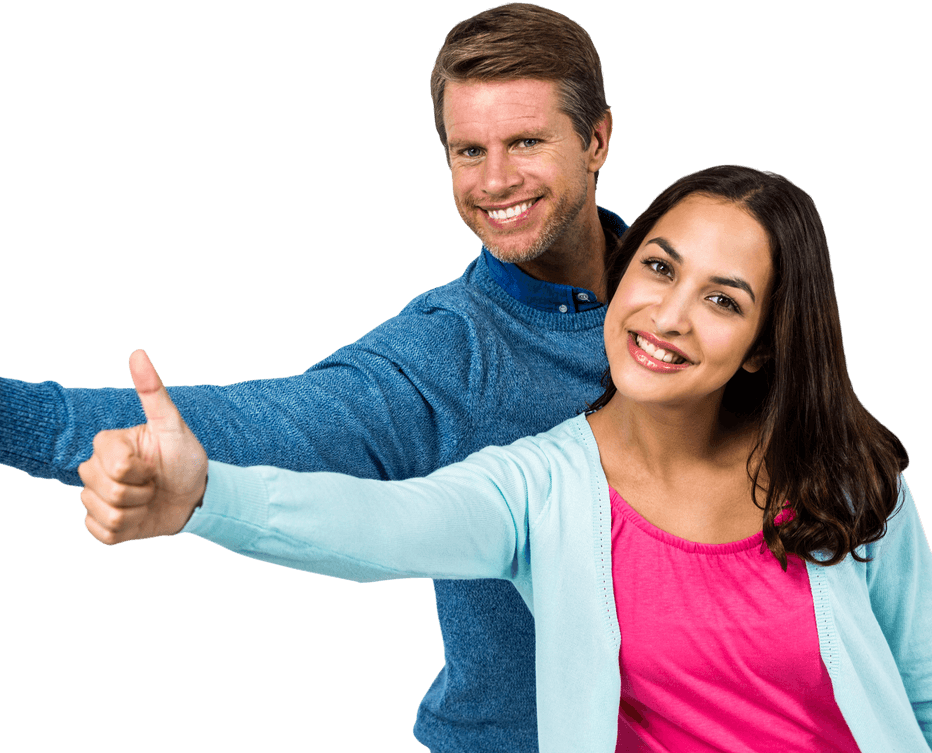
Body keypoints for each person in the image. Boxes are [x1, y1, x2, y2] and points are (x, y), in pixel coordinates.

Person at [0, 4, 619, 751]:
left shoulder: (697, 296)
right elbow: (285, 422)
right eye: (467, 151)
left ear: (596, 139)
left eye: (524, 141)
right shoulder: (450, 355)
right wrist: (5, 417)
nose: (494, 181)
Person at [76, 165, 931, 752]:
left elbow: (923, 685)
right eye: (660, 268)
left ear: (759, 346)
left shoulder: (847, 477)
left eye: (721, 299)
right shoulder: (540, 487)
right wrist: (204, 495)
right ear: (626, 268)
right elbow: (380, 525)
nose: (668, 316)